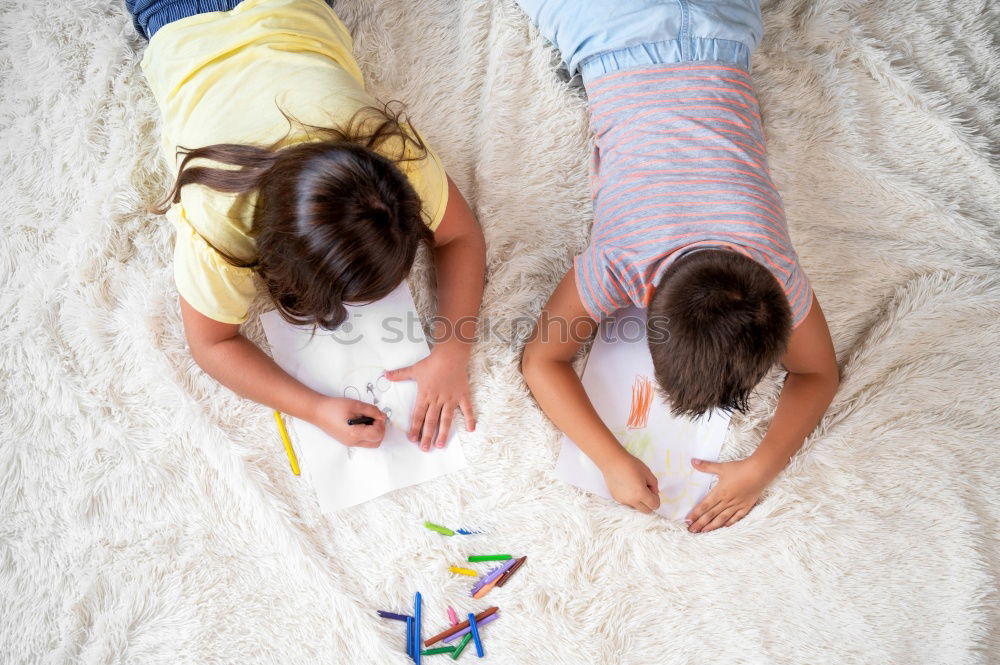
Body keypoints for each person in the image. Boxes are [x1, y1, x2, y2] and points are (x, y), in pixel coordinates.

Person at [518, 0, 839, 532]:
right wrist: (609, 458)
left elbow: (819, 372)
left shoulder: (772, 269)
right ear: (644, 310)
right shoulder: (622, 256)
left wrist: (760, 467)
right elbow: (540, 360)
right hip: (609, 31)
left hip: (721, 28)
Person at [128, 0, 485, 451]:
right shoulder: (218, 225)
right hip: (179, 16)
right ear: (272, 257)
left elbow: (460, 235)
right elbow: (211, 345)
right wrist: (312, 407)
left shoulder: (394, 156)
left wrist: (454, 350)